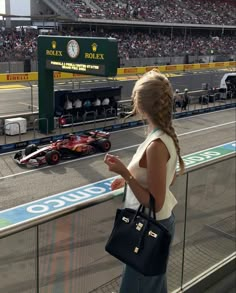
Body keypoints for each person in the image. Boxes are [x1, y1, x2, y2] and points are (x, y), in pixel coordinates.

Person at [104, 69, 185, 293]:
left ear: (140, 106)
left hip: (149, 227)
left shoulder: (156, 144)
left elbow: (155, 203)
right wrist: (130, 180)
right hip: (156, 226)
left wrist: (126, 174)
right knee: (153, 287)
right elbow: (160, 180)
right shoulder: (162, 135)